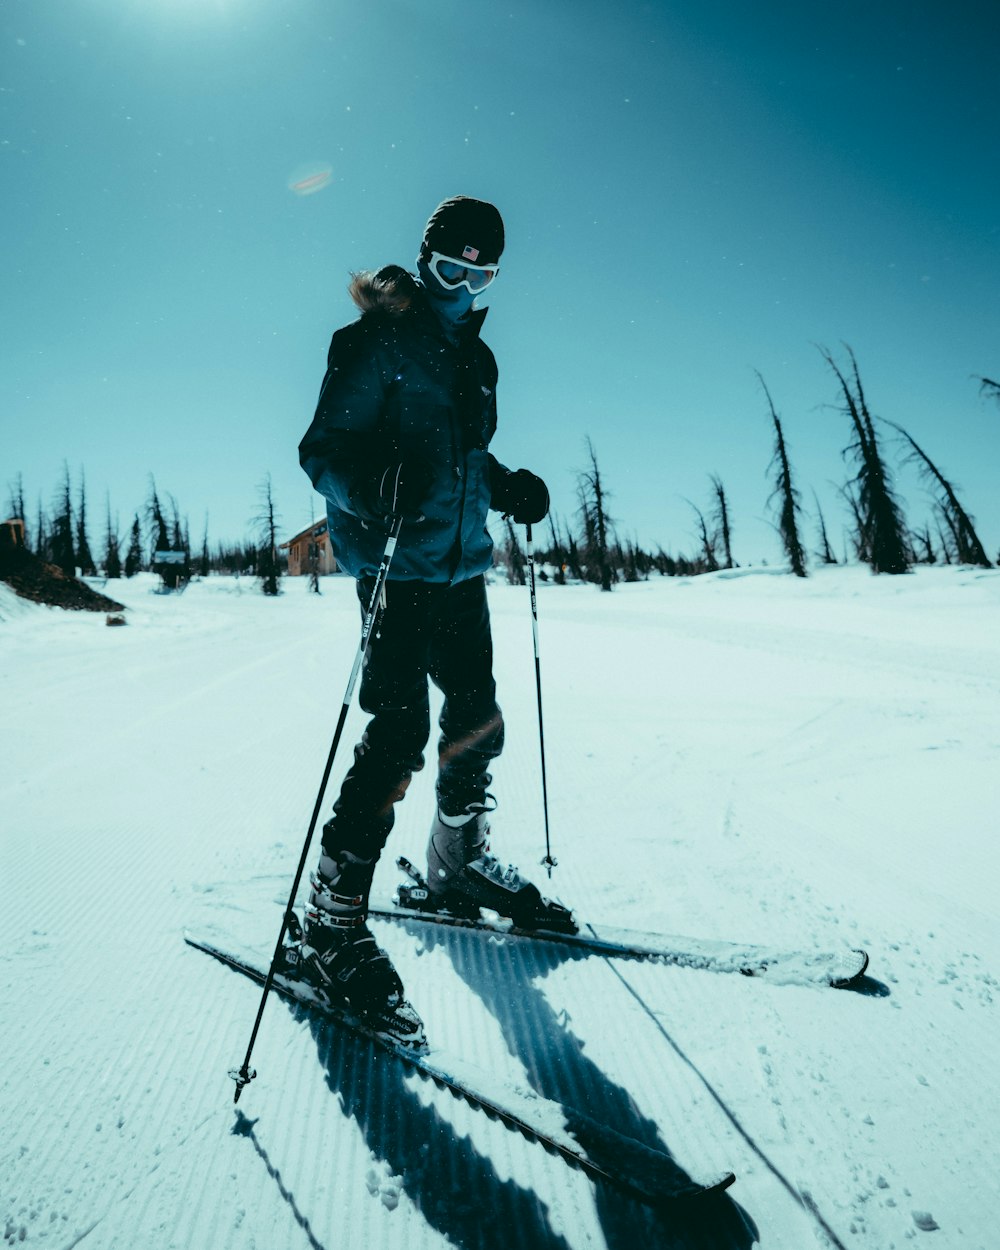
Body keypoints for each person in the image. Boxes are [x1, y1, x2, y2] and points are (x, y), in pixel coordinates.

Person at [298, 195, 570, 1045]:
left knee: (478, 720)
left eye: (480, 273)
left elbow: (467, 458)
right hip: (393, 568)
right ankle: (331, 920)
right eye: (450, 268)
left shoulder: (476, 359)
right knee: (398, 734)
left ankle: (454, 869)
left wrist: (507, 484)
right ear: (425, 259)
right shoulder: (370, 341)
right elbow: (324, 452)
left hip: (459, 570)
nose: (462, 285)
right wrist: (371, 484)